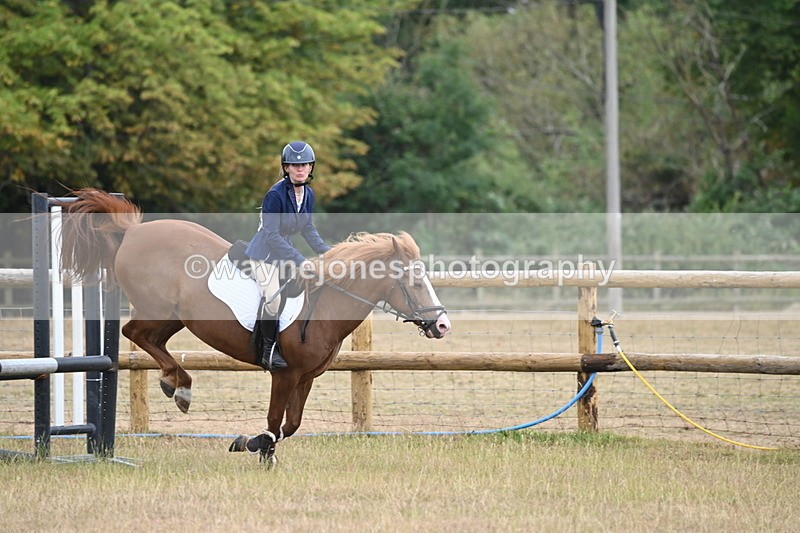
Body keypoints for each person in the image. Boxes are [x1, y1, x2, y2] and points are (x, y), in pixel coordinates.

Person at [244, 141, 331, 371]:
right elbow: (271, 235)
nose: (300, 169)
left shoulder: (308, 194)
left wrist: (331, 254)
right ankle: (267, 350)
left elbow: (308, 229)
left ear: (311, 167)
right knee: (272, 296)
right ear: (286, 168)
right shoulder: (275, 194)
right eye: (294, 165)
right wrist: (301, 260)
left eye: (304, 165)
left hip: (284, 254)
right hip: (263, 254)